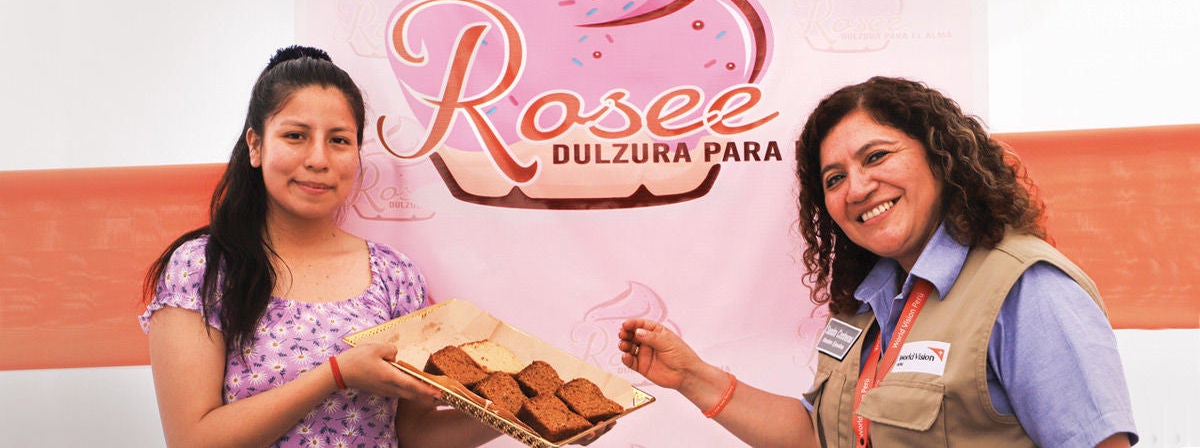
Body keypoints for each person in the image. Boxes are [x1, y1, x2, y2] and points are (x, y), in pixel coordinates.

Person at [618, 76, 1138, 447]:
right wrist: (691, 376)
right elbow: (821, 436)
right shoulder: (864, 307)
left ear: (940, 157)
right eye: (834, 178)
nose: (858, 188)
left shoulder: (1026, 288)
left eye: (876, 156)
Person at [139, 46, 500, 447]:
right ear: (256, 146)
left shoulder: (395, 275)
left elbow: (413, 435)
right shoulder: (202, 268)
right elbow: (191, 440)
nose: (318, 159)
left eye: (339, 141)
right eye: (296, 136)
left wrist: (521, 418)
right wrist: (336, 374)